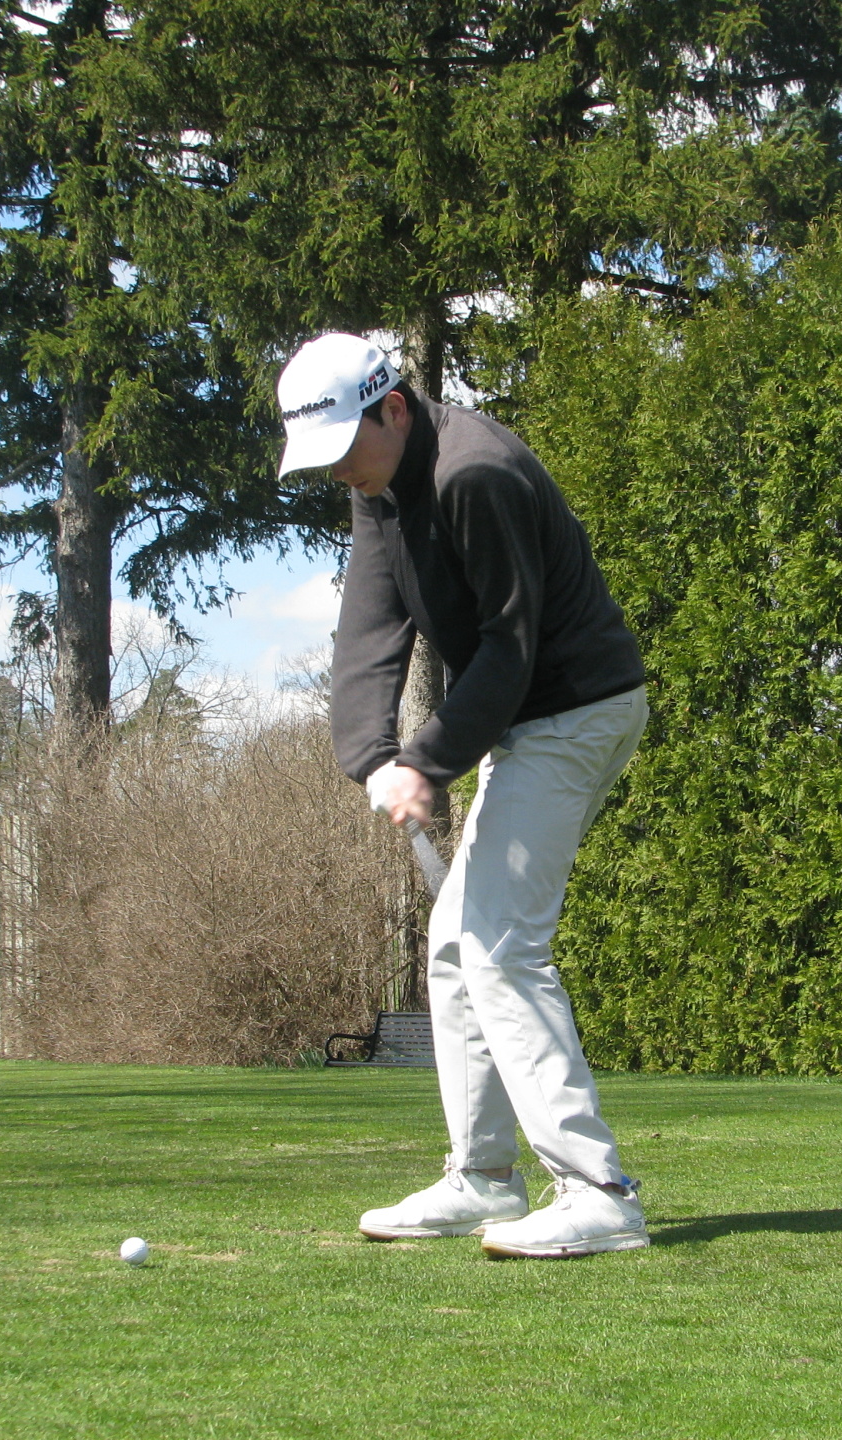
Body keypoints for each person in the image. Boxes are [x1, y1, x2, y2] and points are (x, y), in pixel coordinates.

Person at [277, 333, 651, 1259]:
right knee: (453, 944)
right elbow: (371, 623)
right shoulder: (380, 484)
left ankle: (598, 1191)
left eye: (345, 448)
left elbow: (508, 649)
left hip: (577, 708)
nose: (341, 474)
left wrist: (428, 760)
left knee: (499, 943)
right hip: (524, 718)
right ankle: (484, 1176)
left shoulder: (473, 474)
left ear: (394, 408)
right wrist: (372, 755)